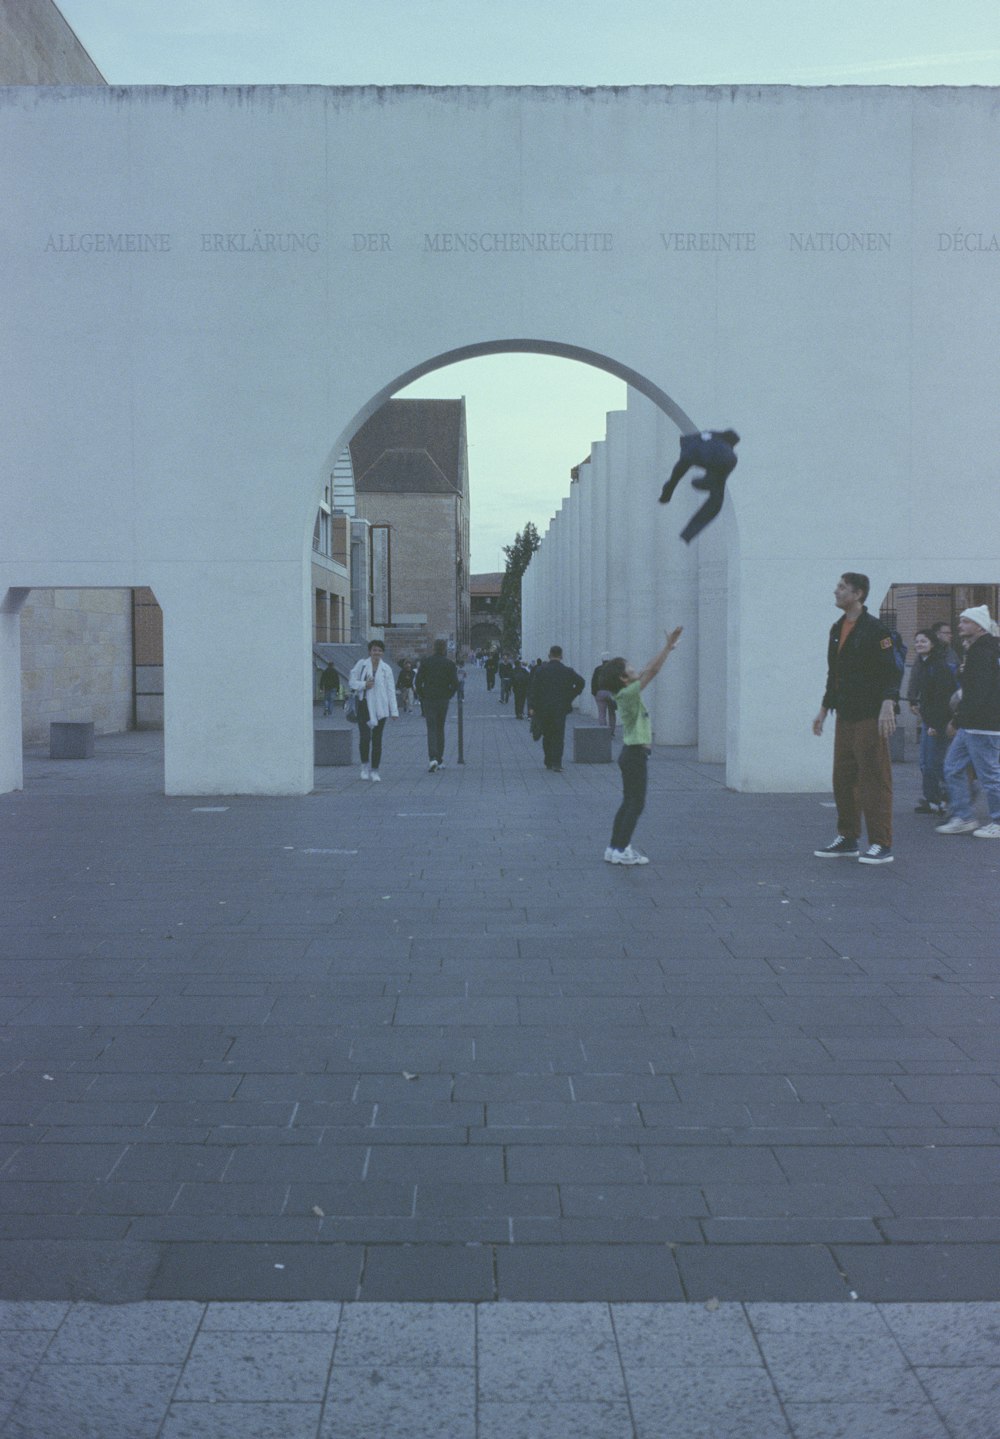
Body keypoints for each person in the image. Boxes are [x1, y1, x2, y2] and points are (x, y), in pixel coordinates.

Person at [812, 572, 899, 864]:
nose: (836, 591)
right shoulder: (837, 628)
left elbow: (891, 670)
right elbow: (833, 673)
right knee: (844, 777)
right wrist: (824, 709)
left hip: (870, 715)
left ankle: (881, 843)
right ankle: (848, 837)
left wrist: (888, 703)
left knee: (874, 777)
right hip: (845, 714)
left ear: (858, 594)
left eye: (842, 587)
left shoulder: (875, 630)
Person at [599, 629, 683, 864]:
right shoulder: (629, 693)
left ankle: (614, 848)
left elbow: (647, 668)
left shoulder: (625, 691)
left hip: (630, 753)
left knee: (628, 801)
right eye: (631, 669)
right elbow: (653, 671)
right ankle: (622, 849)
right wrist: (667, 648)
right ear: (624, 678)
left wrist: (666, 648)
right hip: (635, 753)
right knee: (636, 803)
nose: (637, 669)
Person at [935, 605, 1000, 839]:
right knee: (952, 767)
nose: (959, 625)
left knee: (990, 775)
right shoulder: (978, 650)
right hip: (974, 724)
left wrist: (957, 719)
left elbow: (976, 693)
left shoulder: (982, 653)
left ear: (979, 626)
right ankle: (964, 816)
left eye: (965, 621)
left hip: (983, 725)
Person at [658, 429, 740, 544]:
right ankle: (688, 534)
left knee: (678, 472)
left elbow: (680, 468)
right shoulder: (727, 452)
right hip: (720, 458)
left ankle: (671, 489)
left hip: (693, 451)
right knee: (716, 499)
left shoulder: (710, 436)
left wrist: (671, 485)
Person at [907, 629, 957, 814]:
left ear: (933, 644)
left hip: (939, 721)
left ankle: (955, 795)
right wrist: (913, 701)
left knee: (934, 763)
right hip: (930, 719)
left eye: (924, 641)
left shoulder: (938, 666)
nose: (919, 644)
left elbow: (942, 698)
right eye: (917, 641)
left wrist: (935, 725)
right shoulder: (923, 663)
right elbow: (917, 686)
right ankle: (934, 800)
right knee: (926, 763)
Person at [526, 645, 585, 772]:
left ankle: (548, 760)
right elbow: (581, 682)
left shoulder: (541, 670)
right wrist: (571, 696)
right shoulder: (567, 671)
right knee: (558, 735)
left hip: (543, 708)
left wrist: (532, 707)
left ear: (549, 655)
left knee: (547, 734)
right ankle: (557, 763)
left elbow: (533, 689)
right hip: (560, 708)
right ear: (561, 656)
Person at [348, 639, 398, 781]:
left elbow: (390, 690)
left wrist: (394, 711)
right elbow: (352, 682)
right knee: (365, 737)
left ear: (382, 652)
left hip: (380, 708)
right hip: (364, 706)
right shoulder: (361, 665)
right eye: (374, 650)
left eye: (379, 650)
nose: (377, 653)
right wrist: (364, 684)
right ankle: (364, 766)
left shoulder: (386, 669)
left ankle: (375, 770)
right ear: (370, 651)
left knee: (377, 740)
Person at [414, 638, 459, 771]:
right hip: (443, 699)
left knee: (431, 728)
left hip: (429, 699)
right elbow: (455, 684)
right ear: (444, 648)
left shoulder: (426, 662)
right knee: (440, 728)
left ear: (434, 648)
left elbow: (418, 682)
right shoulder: (449, 664)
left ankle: (432, 757)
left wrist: (422, 695)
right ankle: (439, 759)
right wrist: (449, 695)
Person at [590, 651, 617, 735]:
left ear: (602, 660)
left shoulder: (597, 669)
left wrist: (595, 693)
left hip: (600, 692)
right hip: (611, 693)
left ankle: (603, 733)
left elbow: (593, 682)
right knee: (612, 713)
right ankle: (611, 732)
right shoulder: (614, 670)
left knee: (602, 713)